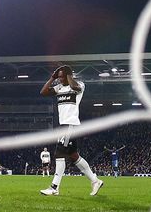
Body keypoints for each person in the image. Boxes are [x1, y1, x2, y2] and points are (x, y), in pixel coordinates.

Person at [38, 65, 103, 197]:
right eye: (59, 77)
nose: (60, 79)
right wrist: (52, 78)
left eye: (62, 76)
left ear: (68, 75)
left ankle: (54, 187)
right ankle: (95, 181)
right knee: (74, 156)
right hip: (64, 125)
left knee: (59, 154)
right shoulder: (59, 88)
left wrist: (68, 75)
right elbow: (43, 92)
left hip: (70, 125)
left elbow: (75, 88)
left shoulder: (79, 85)